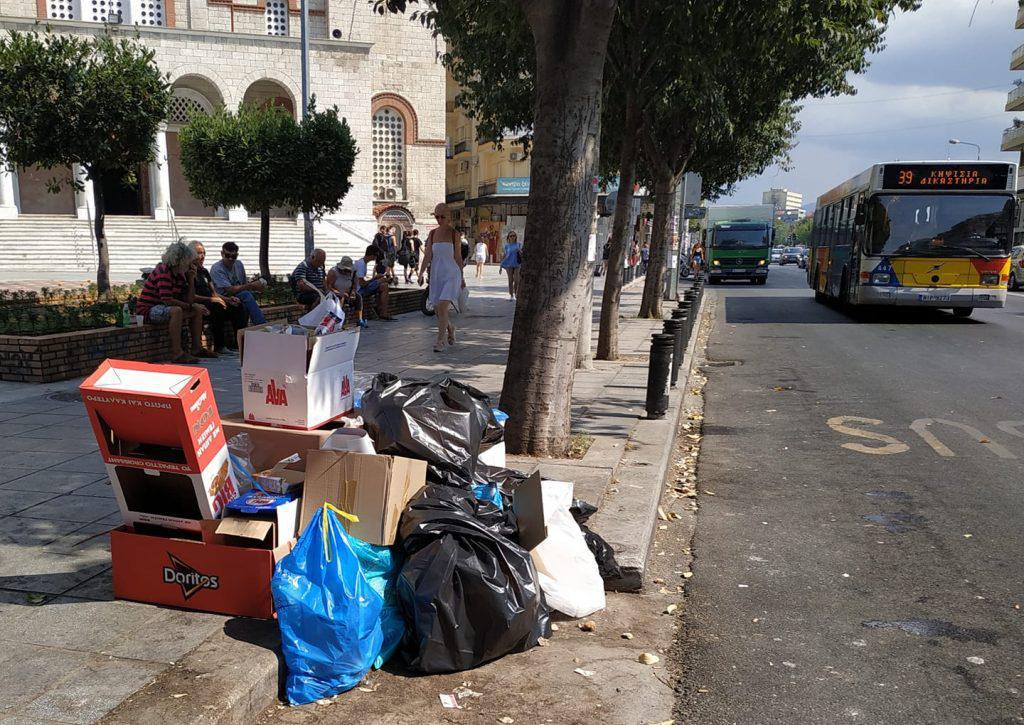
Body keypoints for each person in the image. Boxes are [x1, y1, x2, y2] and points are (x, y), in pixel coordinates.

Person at [136, 240, 212, 363]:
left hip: (164, 307)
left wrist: (191, 280)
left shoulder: (181, 274)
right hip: (149, 309)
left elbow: (189, 299)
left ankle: (197, 348)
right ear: (181, 260)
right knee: (176, 311)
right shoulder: (163, 271)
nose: (190, 263)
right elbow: (168, 300)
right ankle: (176, 352)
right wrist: (189, 305)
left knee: (197, 309)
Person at [418, 203, 465, 352]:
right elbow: (428, 255)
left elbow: (458, 257)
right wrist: (420, 273)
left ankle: (440, 341)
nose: (439, 219)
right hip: (437, 275)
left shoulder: (454, 234)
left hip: (452, 274)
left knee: (443, 307)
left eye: (442, 216)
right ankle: (450, 328)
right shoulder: (432, 234)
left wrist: (462, 277)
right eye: (436, 216)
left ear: (449, 217)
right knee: (438, 310)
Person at [188, 240, 247, 354]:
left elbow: (214, 293)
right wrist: (212, 299)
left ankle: (238, 343)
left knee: (238, 306)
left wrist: (228, 299)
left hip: (211, 301)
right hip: (201, 303)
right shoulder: (188, 272)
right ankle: (220, 346)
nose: (202, 256)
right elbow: (191, 296)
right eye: (199, 253)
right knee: (217, 307)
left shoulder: (204, 271)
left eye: (204, 253)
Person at [209, 242, 267, 329]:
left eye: (234, 256)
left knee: (246, 302)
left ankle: (246, 335)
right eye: (227, 255)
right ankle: (261, 326)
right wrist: (252, 285)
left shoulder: (239, 264)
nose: (230, 259)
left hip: (238, 297)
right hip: (223, 299)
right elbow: (230, 290)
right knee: (246, 295)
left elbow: (244, 285)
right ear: (222, 254)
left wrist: (257, 287)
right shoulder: (217, 268)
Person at [354, 245, 394, 321]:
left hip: (361, 288)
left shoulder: (362, 263)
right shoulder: (361, 264)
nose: (376, 258)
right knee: (383, 283)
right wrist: (374, 279)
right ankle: (383, 313)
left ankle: (381, 310)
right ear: (372, 255)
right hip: (359, 291)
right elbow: (362, 284)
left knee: (384, 285)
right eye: (376, 255)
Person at [326, 255, 367, 328]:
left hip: (348, 292)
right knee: (340, 298)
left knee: (358, 297)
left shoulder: (353, 272)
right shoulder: (333, 272)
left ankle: (359, 319)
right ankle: (338, 320)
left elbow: (354, 285)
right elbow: (329, 287)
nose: (346, 271)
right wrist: (339, 293)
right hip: (336, 293)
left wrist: (353, 292)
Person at [499, 231, 522, 299]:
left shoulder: (519, 244)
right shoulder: (506, 246)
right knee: (510, 280)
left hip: (517, 264)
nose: (512, 237)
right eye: (511, 236)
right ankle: (511, 295)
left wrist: (519, 251)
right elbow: (505, 255)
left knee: (517, 280)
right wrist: (501, 265)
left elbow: (521, 254)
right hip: (508, 264)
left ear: (516, 237)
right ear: (508, 237)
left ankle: (516, 293)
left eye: (514, 236)